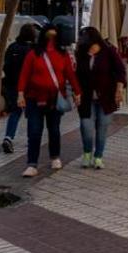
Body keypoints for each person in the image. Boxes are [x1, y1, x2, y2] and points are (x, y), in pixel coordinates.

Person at [16, 24, 78, 177]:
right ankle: (32, 163)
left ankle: (55, 156)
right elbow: (24, 74)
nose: (51, 40)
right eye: (48, 36)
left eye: (54, 36)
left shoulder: (62, 54)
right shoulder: (33, 54)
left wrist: (78, 92)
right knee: (34, 131)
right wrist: (20, 94)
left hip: (54, 98)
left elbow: (70, 74)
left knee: (54, 129)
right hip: (34, 98)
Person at [74, 26, 125, 170]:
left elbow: (120, 70)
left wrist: (119, 89)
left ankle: (98, 157)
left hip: (106, 98)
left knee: (102, 128)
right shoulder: (81, 53)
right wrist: (75, 92)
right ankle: (87, 153)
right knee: (86, 127)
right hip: (86, 98)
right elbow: (76, 75)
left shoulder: (109, 51)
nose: (82, 41)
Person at [0, 22, 38, 154]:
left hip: (12, 86)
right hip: (30, 86)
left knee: (15, 112)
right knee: (32, 114)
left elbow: (5, 66)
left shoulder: (12, 47)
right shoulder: (33, 50)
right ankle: (31, 139)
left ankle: (8, 137)